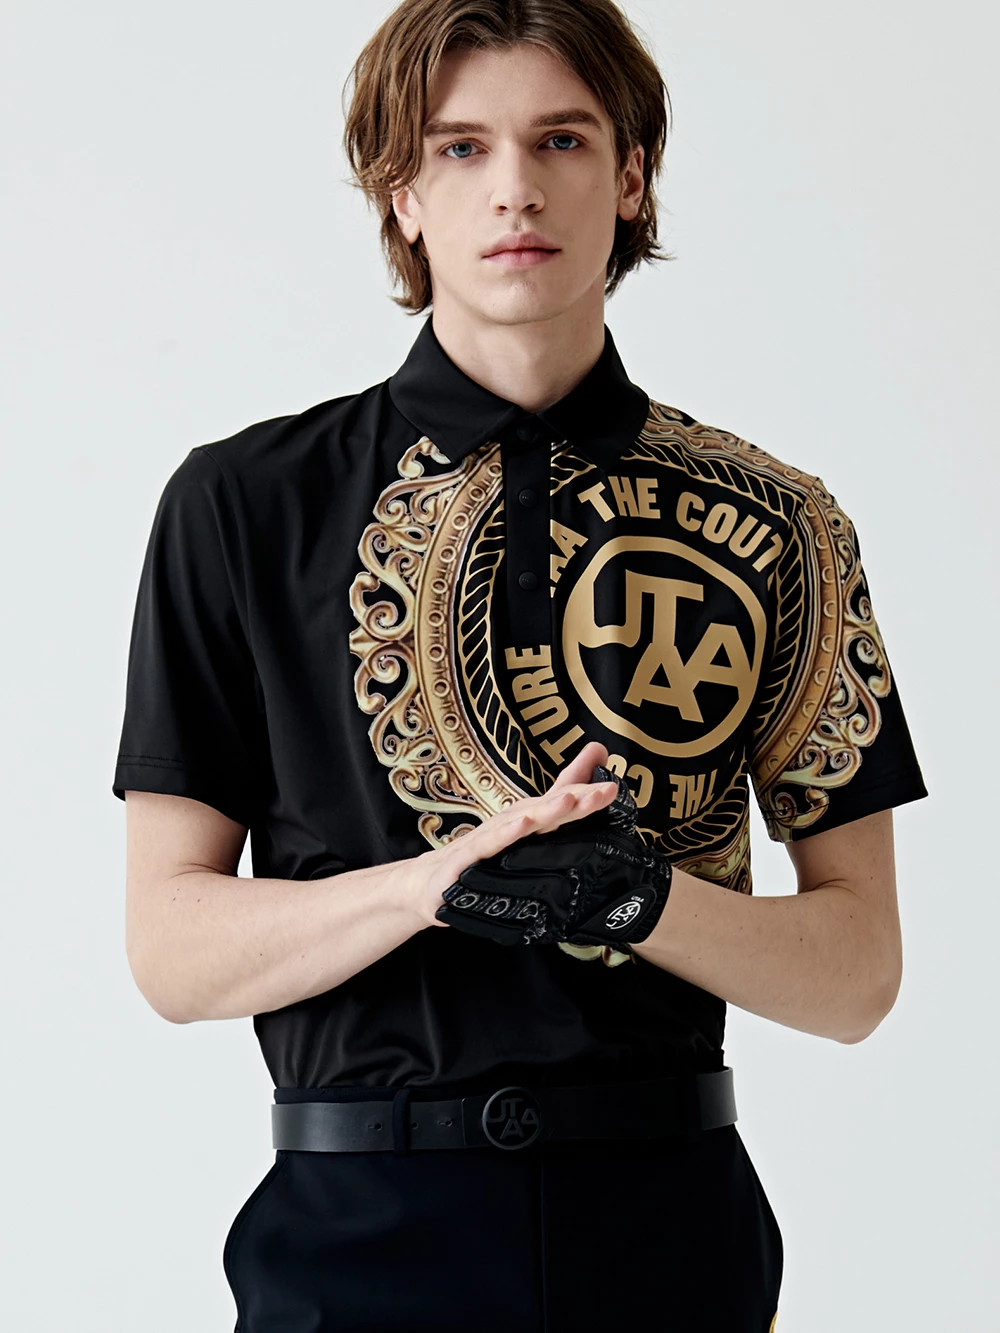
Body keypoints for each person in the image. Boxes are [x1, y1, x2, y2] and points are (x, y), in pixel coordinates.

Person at [112, 2, 928, 1330]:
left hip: (672, 1231)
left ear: (630, 175)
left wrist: (637, 901)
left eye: (561, 139)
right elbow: (171, 952)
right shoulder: (242, 504)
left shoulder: (782, 524)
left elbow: (858, 974)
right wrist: (434, 886)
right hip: (354, 1237)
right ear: (402, 193)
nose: (515, 189)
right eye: (460, 147)